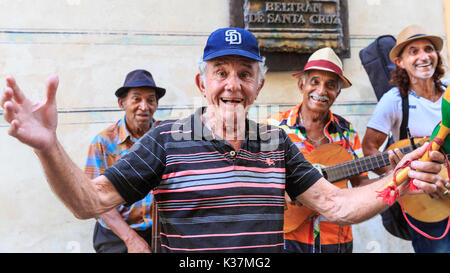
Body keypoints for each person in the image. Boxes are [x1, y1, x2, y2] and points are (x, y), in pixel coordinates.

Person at [1, 27, 447, 253]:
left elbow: (336, 205)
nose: (232, 84)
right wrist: (47, 146)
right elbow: (88, 202)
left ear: (258, 82)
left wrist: (402, 179)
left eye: (243, 73)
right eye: (221, 72)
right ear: (202, 81)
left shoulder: (277, 143)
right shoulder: (166, 138)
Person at [266, 47, 373, 253]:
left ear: (338, 93)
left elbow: (362, 184)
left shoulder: (347, 132)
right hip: (287, 237)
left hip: (335, 240)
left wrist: (395, 176)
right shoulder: (274, 126)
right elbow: (253, 178)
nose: (322, 90)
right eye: (315, 81)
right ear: (301, 84)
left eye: (331, 85)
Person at [362, 24, 450, 253]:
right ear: (400, 62)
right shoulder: (393, 100)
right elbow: (370, 147)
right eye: (414, 51)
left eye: (428, 49)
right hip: (429, 201)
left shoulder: (449, 91)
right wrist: (402, 179)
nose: (424, 56)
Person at [84, 69, 166, 253]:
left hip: (159, 233)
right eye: (136, 99)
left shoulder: (166, 137)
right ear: (122, 103)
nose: (144, 107)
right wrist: (130, 238)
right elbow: (94, 199)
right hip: (116, 234)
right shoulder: (103, 142)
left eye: (150, 100)